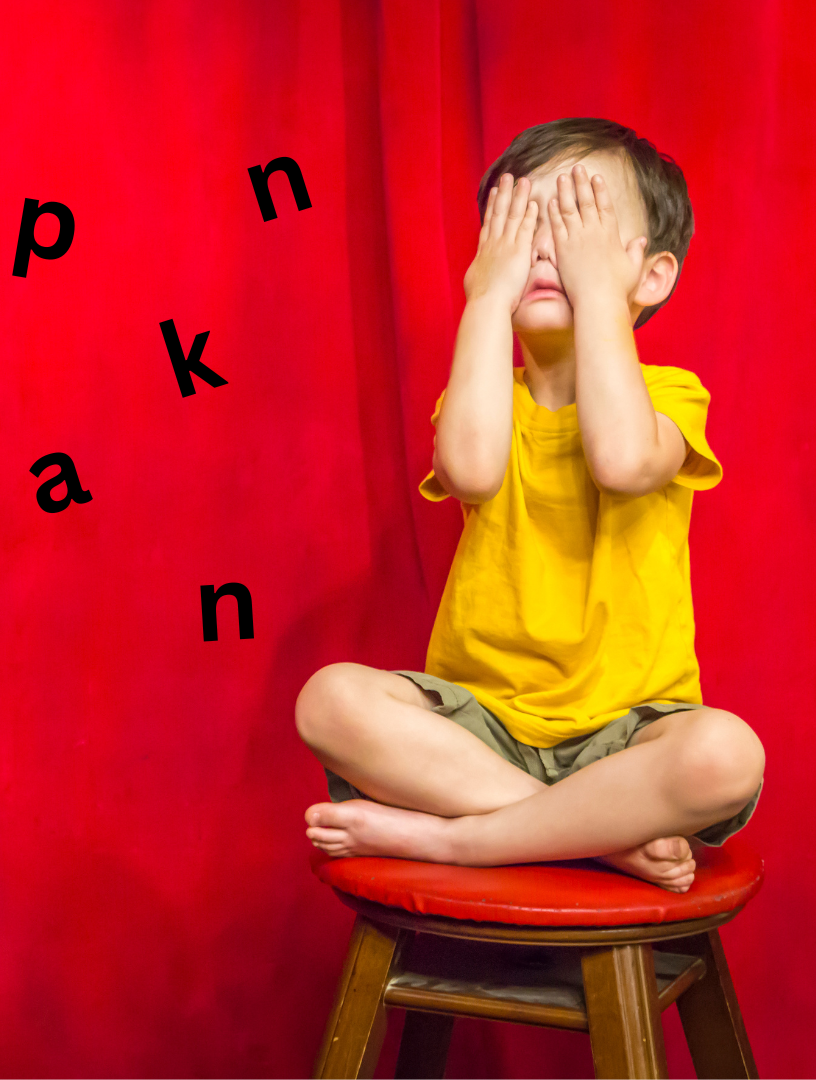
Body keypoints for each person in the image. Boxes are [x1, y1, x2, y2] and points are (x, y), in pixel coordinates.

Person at [295, 118, 764, 892]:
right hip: (478, 732)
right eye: (521, 226)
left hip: (628, 736)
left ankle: (457, 842)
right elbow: (472, 472)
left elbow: (621, 461)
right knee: (328, 700)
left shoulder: (670, 397)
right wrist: (486, 297)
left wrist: (596, 291)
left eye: (579, 222)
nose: (546, 249)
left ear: (652, 277)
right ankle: (590, 836)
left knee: (727, 754)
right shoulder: (483, 398)